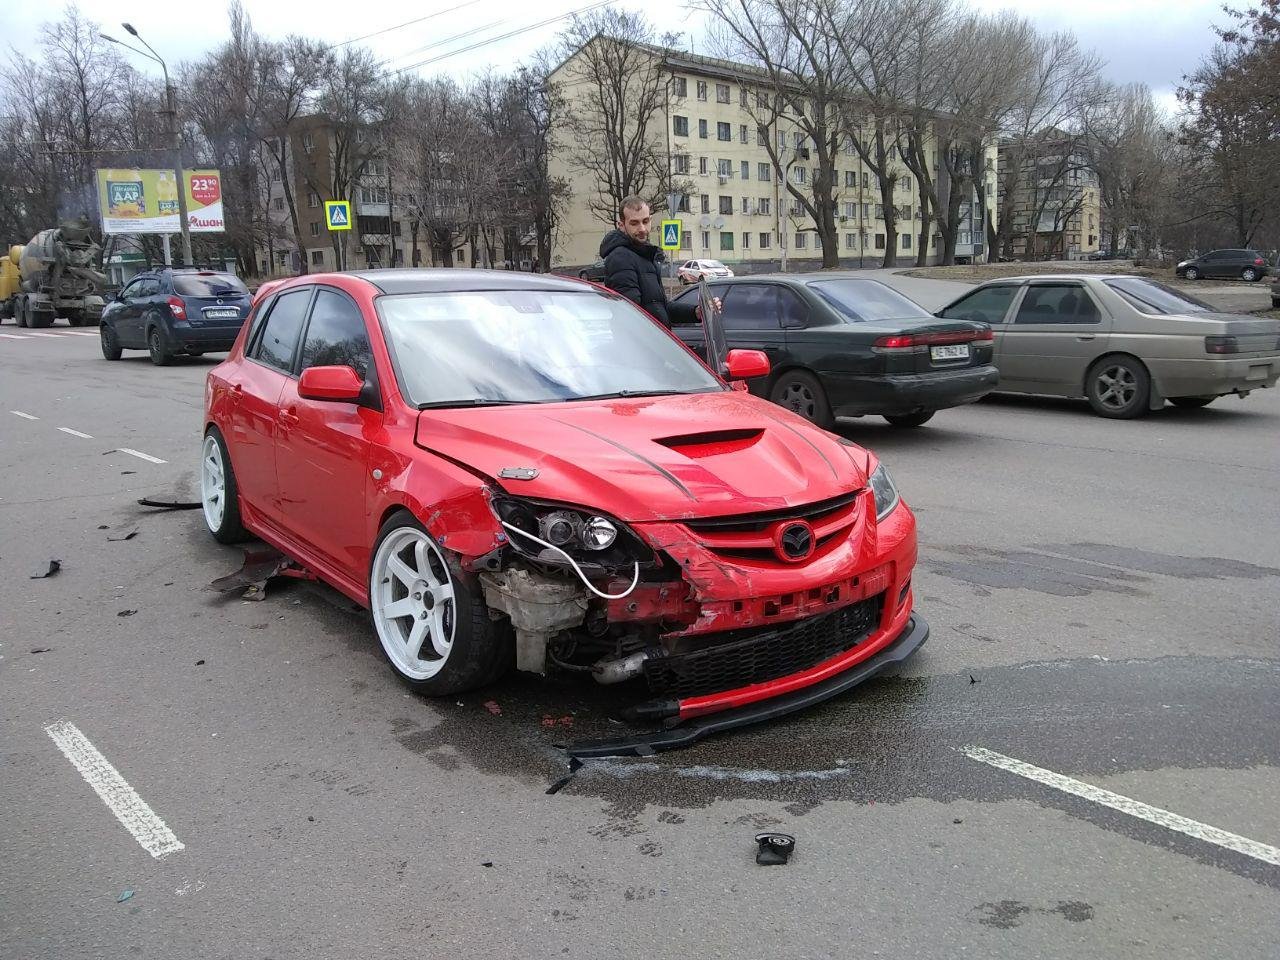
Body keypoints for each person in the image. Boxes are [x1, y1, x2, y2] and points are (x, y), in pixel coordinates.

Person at [600, 196, 718, 328]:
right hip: (642, 346)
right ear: (622, 225)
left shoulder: (644, 255)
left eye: (645, 221)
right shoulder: (621, 258)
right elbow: (631, 314)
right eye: (634, 223)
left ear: (650, 220)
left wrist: (696, 312)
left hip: (653, 344)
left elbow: (659, 307)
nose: (642, 229)